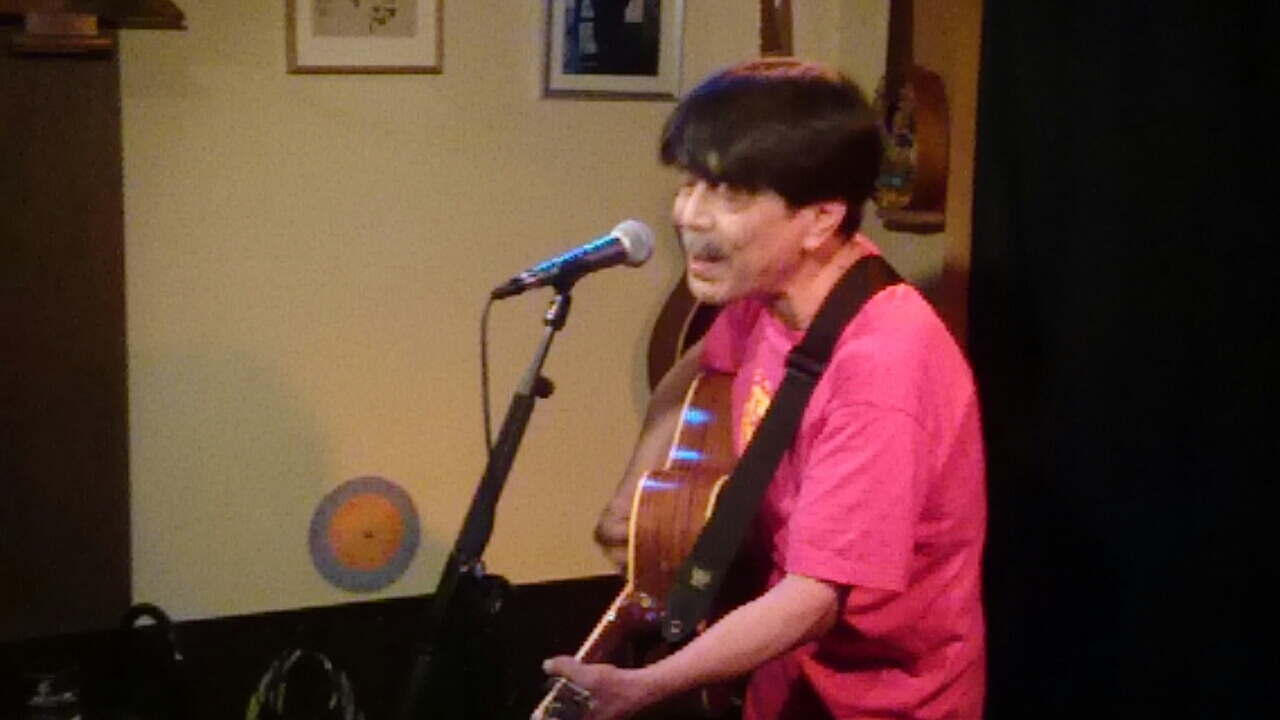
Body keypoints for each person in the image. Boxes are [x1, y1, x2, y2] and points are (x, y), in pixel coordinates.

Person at [542, 58, 986, 720]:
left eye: (732, 196)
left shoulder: (884, 365)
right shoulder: (772, 291)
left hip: (882, 703)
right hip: (780, 678)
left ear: (821, 217)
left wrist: (645, 686)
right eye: (690, 184)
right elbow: (698, 367)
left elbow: (813, 599)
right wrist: (637, 491)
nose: (690, 216)